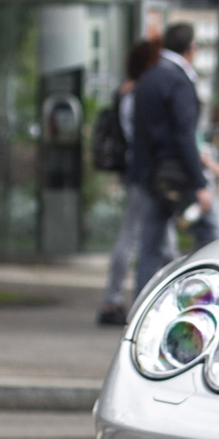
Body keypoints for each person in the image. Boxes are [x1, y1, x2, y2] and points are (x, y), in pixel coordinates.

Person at [129, 23, 218, 295]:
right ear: (191, 49)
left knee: (150, 246)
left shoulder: (147, 78)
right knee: (212, 234)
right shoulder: (180, 80)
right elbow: (184, 136)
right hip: (178, 175)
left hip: (151, 175)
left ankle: (139, 307)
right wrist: (200, 184)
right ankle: (204, 296)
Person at [95, 38, 162, 326]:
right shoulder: (140, 94)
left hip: (135, 170)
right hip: (145, 172)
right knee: (135, 235)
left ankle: (119, 299)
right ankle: (113, 299)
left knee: (155, 236)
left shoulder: (125, 92)